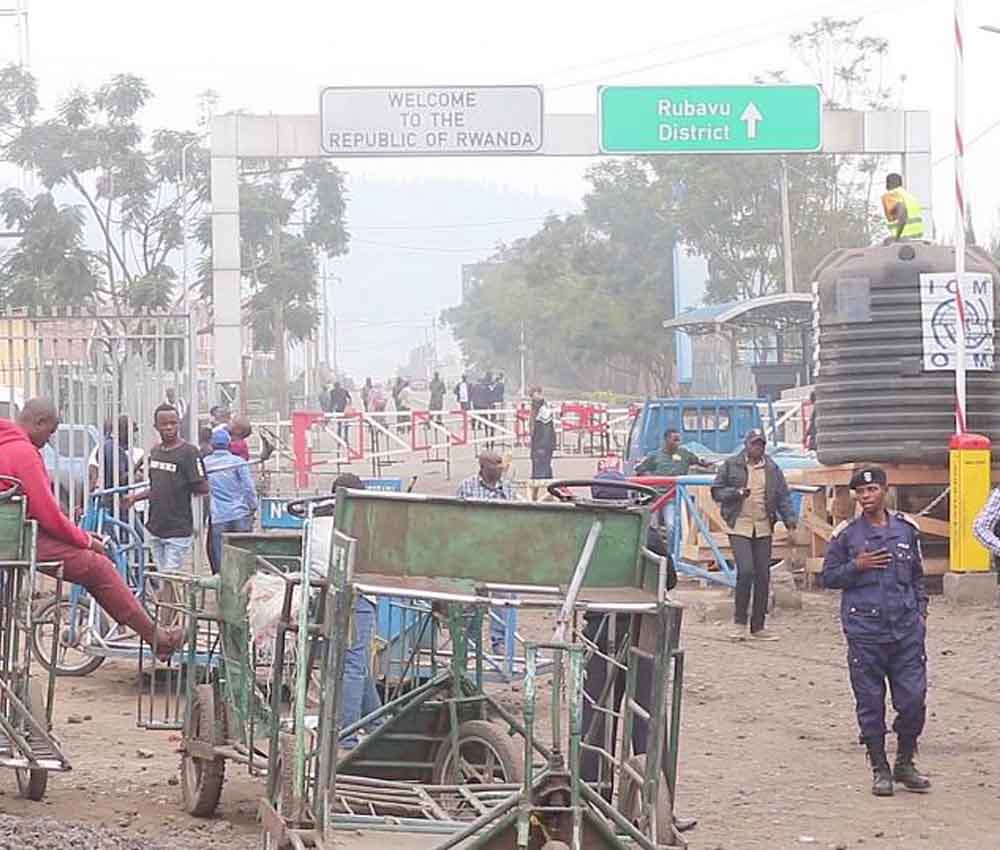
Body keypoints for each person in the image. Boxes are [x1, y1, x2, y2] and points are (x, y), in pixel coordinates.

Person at [0, 399, 184, 659]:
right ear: (39, 422)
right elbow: (48, 514)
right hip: (17, 537)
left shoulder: (7, 443)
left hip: (17, 530)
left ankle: (153, 634)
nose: (49, 440)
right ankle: (157, 638)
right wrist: (84, 540)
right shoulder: (23, 452)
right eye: (50, 432)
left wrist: (80, 536)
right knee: (98, 567)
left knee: (95, 565)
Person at [821, 466, 931, 797]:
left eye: (872, 490)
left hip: (906, 632)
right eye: (860, 492)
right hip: (865, 632)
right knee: (870, 703)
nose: (866, 496)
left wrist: (921, 614)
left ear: (884, 490)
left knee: (913, 701)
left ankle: (905, 762)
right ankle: (880, 768)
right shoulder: (847, 535)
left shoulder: (906, 530)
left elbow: (918, 576)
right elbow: (829, 577)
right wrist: (857, 565)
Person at [711, 429, 797, 641]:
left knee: (763, 575)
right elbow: (716, 491)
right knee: (746, 570)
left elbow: (783, 497)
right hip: (739, 525)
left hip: (763, 526)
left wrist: (790, 523)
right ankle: (739, 623)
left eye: (761, 445)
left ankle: (758, 626)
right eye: (754, 444)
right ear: (746, 445)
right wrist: (736, 493)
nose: (757, 448)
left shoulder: (772, 469)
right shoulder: (731, 465)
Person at [330, 473, 383, 750]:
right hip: (357, 599)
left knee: (358, 664)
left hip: (333, 598)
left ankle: (377, 724)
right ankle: (347, 736)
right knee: (353, 665)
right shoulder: (361, 529)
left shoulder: (319, 525)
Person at [125, 404, 208, 573]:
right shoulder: (155, 452)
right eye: (164, 424)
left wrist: (182, 485)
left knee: (169, 576)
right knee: (162, 574)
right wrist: (135, 498)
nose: (169, 427)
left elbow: (203, 487)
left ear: (179, 424)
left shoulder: (189, 452)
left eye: (173, 423)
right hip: (156, 527)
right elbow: (156, 488)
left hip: (178, 529)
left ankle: (171, 591)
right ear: (156, 427)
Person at [456, 451, 515, 653]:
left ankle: (499, 641)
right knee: (473, 598)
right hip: (473, 551)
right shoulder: (466, 487)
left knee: (501, 598)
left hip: (499, 552)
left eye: (500, 466)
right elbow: (456, 519)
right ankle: (471, 642)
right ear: (482, 467)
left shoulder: (508, 488)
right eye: (494, 466)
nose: (499, 470)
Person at [203, 428, 258, 574]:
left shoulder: (205, 463)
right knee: (243, 556)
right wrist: (253, 506)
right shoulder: (238, 462)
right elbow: (249, 488)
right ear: (229, 444)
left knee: (220, 558)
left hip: (218, 516)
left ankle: (223, 583)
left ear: (212, 445)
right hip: (240, 514)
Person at [881, 173, 924, 242]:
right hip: (917, 240)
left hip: (902, 241)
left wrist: (897, 237)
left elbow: (902, 212)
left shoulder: (890, 195)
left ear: (888, 184)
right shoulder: (910, 197)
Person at [529, 387, 556, 480]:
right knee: (542, 470)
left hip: (542, 446)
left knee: (541, 473)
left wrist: (542, 446)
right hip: (538, 444)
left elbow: (546, 430)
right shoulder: (538, 409)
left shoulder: (543, 411)